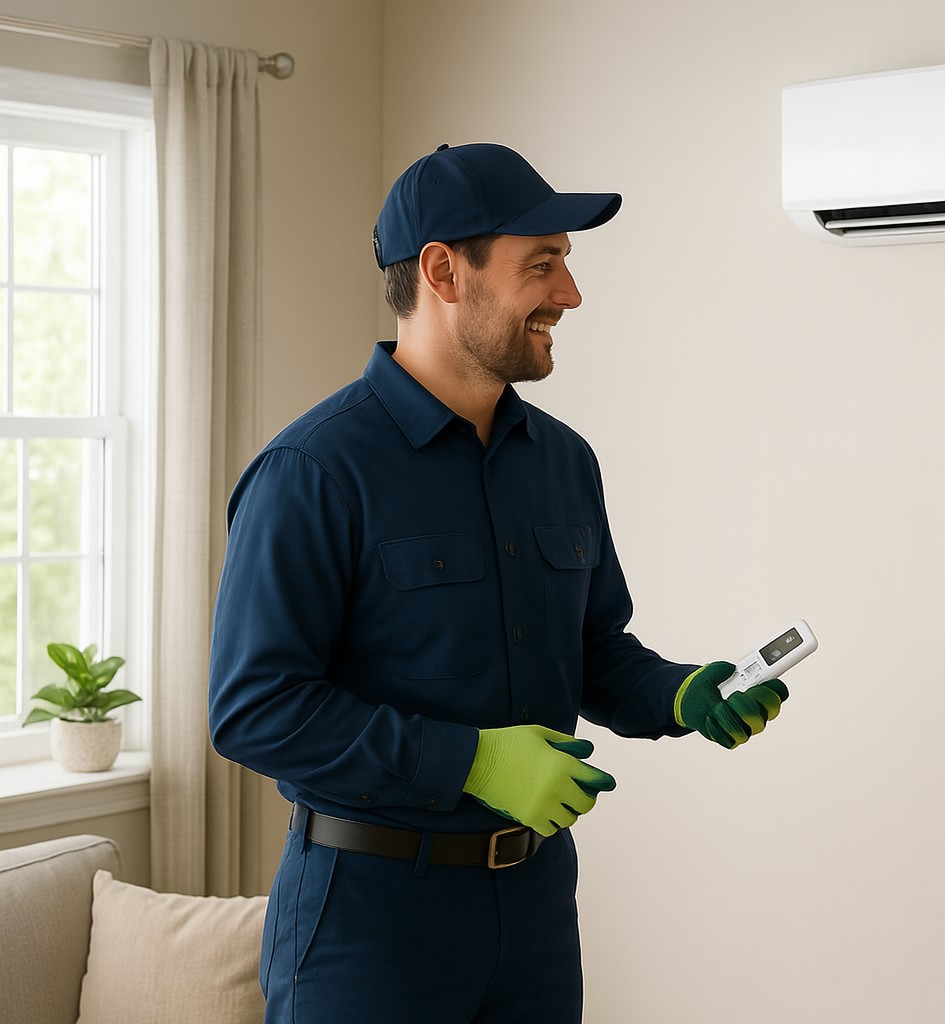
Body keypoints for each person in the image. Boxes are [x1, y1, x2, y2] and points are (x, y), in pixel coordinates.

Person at [208, 142, 790, 1024]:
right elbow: (253, 708)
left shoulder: (562, 461)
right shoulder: (313, 471)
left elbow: (594, 653)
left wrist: (681, 695)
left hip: (536, 910)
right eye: (542, 265)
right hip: (370, 921)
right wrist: (469, 761)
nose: (570, 294)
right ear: (444, 271)